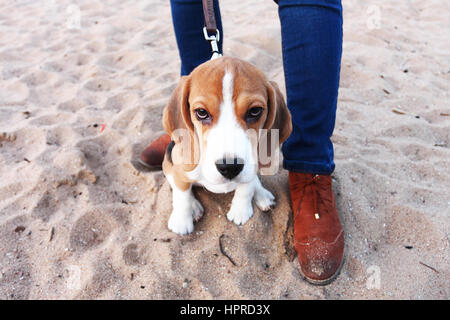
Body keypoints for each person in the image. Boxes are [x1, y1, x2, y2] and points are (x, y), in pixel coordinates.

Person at [141, 0, 344, 285]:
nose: (230, 154)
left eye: (253, 113)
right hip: (189, 145)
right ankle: (182, 133)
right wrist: (182, 203)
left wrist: (248, 190)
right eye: (203, 112)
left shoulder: (270, 118)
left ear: (270, 112)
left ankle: (310, 163)